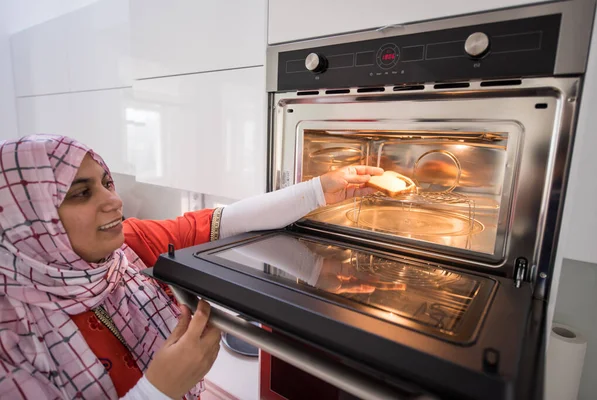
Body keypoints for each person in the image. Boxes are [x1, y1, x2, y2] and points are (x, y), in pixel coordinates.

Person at [0, 134, 383, 399]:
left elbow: (225, 221)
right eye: (81, 193)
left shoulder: (124, 248)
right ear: (25, 218)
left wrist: (322, 189)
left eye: (106, 183)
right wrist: (158, 390)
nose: (113, 201)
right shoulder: (9, 334)